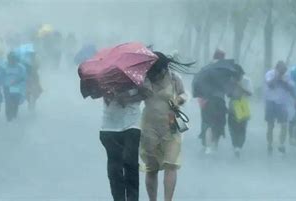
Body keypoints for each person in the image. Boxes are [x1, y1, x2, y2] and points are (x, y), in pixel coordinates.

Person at [140, 52, 187, 201]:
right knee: (151, 168)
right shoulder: (143, 79)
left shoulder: (174, 78)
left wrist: (178, 100)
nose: (157, 74)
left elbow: (185, 94)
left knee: (171, 165)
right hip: (149, 127)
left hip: (171, 125)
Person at [100, 89, 145, 201]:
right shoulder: (104, 76)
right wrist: (107, 93)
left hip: (132, 124)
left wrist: (128, 96)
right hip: (109, 126)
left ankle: (132, 198)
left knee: (131, 164)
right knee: (115, 168)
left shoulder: (136, 75)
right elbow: (94, 93)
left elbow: (147, 92)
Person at [193, 49, 235, 155]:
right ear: (223, 58)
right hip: (219, 100)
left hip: (206, 100)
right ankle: (215, 144)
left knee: (207, 123)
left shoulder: (205, 69)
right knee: (219, 123)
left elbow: (197, 82)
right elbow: (229, 86)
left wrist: (200, 96)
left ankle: (207, 147)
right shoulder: (225, 70)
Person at [265, 61, 295, 155]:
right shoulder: (270, 73)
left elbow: (291, 88)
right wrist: (277, 77)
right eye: (281, 70)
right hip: (271, 102)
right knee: (270, 125)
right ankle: (269, 143)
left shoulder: (287, 75)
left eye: (284, 70)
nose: (283, 72)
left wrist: (283, 80)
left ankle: (281, 144)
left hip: (282, 104)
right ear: (276, 68)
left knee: (284, 125)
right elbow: (270, 85)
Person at [227, 64, 253, 158]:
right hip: (233, 104)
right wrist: (232, 85)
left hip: (243, 105)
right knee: (232, 127)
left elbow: (250, 93)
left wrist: (239, 85)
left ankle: (239, 146)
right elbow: (228, 94)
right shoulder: (230, 80)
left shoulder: (246, 80)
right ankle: (235, 145)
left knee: (242, 128)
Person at [4, 52, 27, 121]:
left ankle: (14, 116)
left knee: (15, 103)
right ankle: (8, 118)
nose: (11, 60)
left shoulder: (20, 67)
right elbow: (1, 75)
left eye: (13, 59)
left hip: (16, 88)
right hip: (7, 87)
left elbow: (23, 77)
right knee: (8, 103)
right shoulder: (5, 66)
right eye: (10, 59)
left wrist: (16, 81)